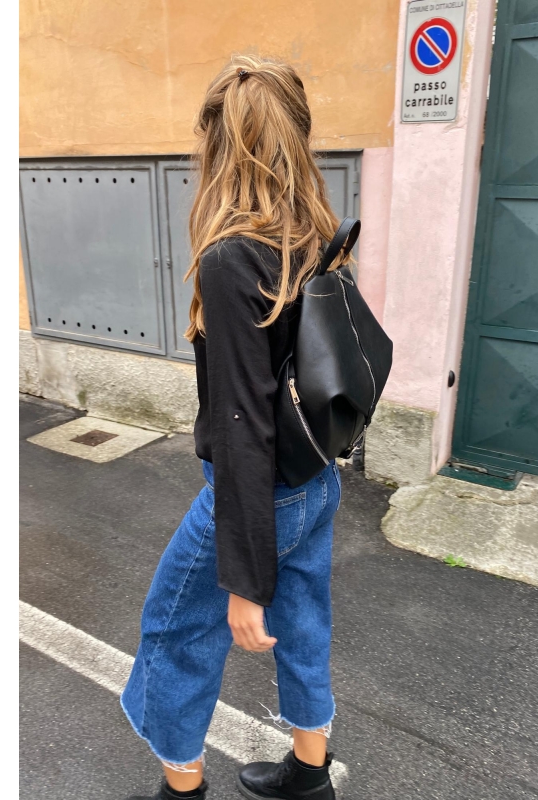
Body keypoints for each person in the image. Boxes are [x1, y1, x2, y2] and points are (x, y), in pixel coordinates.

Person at [121, 54, 348, 800]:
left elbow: (244, 425)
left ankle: (181, 790)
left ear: (223, 145)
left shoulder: (230, 258)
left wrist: (244, 581)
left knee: (176, 633)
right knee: (304, 620)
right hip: (315, 478)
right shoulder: (316, 235)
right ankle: (310, 774)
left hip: (259, 495)